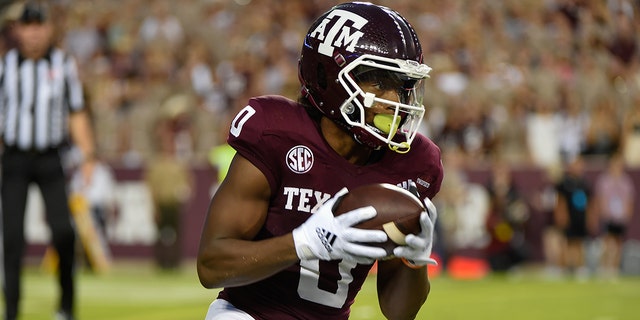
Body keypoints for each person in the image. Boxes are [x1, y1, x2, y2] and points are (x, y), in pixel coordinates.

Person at [197, 2, 443, 319]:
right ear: (329, 77)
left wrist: (414, 257)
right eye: (381, 82)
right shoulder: (275, 133)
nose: (396, 100)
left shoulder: (413, 163)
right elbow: (211, 264)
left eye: (404, 85)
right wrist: (306, 242)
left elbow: (398, 312)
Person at [0, 2, 95, 319]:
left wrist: (88, 155)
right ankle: (11, 310)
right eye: (28, 26)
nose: (34, 33)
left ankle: (66, 307)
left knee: (63, 233)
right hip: (14, 158)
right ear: (17, 30)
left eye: (39, 25)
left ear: (49, 29)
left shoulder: (63, 65)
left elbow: (76, 112)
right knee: (12, 237)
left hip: (50, 159)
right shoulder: (6, 66)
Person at [553, 156, 597, 279]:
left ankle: (579, 268)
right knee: (566, 243)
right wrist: (561, 215)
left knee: (579, 242)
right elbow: (560, 201)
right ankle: (561, 268)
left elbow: (590, 202)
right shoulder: (564, 183)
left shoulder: (585, 183)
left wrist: (591, 217)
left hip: (580, 217)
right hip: (569, 217)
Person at [594, 152, 635, 278]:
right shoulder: (604, 180)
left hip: (620, 216)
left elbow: (629, 199)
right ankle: (604, 266)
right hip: (608, 215)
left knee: (618, 243)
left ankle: (614, 268)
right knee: (607, 241)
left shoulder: (626, 181)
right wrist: (601, 212)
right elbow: (600, 198)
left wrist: (627, 214)